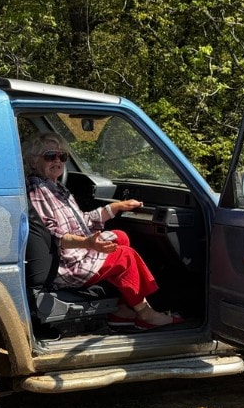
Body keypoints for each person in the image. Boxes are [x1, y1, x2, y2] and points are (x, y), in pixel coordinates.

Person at [23, 132, 182, 329]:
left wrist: (115, 207)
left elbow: (82, 221)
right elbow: (53, 234)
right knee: (124, 256)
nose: (58, 160)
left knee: (121, 237)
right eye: (50, 156)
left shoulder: (57, 189)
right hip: (67, 263)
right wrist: (87, 243)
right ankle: (146, 314)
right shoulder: (38, 189)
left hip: (75, 251)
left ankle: (120, 310)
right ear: (33, 161)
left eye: (62, 156)